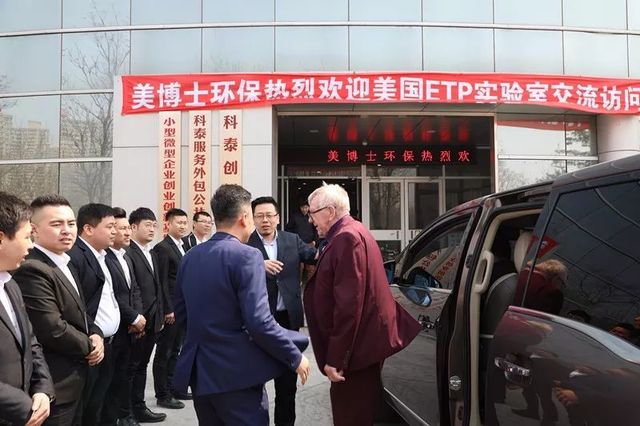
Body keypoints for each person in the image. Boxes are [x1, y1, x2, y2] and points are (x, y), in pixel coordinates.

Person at [173, 184, 311, 426]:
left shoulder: (190, 257)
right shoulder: (247, 256)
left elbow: (183, 316)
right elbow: (259, 322)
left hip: (202, 374)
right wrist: (294, 356)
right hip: (237, 375)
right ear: (245, 217)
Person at [304, 183, 421, 426]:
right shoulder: (352, 231)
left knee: (351, 415)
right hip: (362, 345)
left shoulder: (346, 237)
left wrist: (337, 358)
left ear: (330, 211)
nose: (310, 220)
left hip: (357, 350)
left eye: (313, 213)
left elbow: (349, 305)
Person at [13, 195, 104, 426]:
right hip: (56, 384)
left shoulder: (66, 262)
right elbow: (51, 328)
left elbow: (80, 312)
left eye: (71, 223)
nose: (66, 230)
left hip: (77, 379)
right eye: (56, 224)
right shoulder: (32, 268)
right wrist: (90, 346)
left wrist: (96, 333)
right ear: (34, 229)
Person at [247, 196, 317, 426]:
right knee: (253, 383)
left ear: (277, 218)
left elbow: (314, 256)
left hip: (287, 320)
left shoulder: (291, 239)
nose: (265, 220)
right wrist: (257, 264)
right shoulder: (245, 244)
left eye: (269, 215)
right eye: (260, 216)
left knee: (287, 385)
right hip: (257, 323)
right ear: (253, 218)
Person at [0, 192, 55, 426]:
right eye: (26, 237)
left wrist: (42, 389)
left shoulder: (10, 284)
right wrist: (23, 406)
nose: (31, 245)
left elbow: (31, 343)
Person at [67, 203, 121, 426]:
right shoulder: (75, 257)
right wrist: (93, 334)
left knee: (99, 403)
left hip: (109, 343)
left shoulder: (103, 256)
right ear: (88, 229)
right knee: (87, 407)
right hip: (90, 346)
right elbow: (75, 306)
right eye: (109, 227)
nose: (115, 231)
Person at [102, 207, 146, 426]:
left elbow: (134, 289)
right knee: (111, 380)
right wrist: (133, 318)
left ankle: (125, 415)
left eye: (128, 228)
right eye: (121, 229)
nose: (127, 232)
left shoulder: (126, 256)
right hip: (116, 329)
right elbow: (114, 296)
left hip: (130, 328)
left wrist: (138, 316)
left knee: (125, 375)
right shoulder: (105, 259)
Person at [126, 208, 167, 423]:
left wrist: (159, 317)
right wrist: (137, 318)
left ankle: (139, 407)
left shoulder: (151, 252)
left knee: (142, 366)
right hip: (137, 322)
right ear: (133, 227)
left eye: (154, 225)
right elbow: (132, 290)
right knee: (132, 368)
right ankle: (128, 411)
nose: (152, 229)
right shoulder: (128, 253)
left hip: (152, 320)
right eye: (147, 225)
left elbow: (158, 287)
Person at [152, 208, 189, 407]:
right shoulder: (163, 248)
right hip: (171, 309)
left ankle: (174, 388)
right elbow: (162, 281)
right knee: (164, 352)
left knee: (176, 350)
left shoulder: (182, 246)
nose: (182, 226)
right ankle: (163, 394)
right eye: (179, 223)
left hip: (182, 308)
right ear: (169, 224)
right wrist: (167, 309)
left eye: (185, 223)